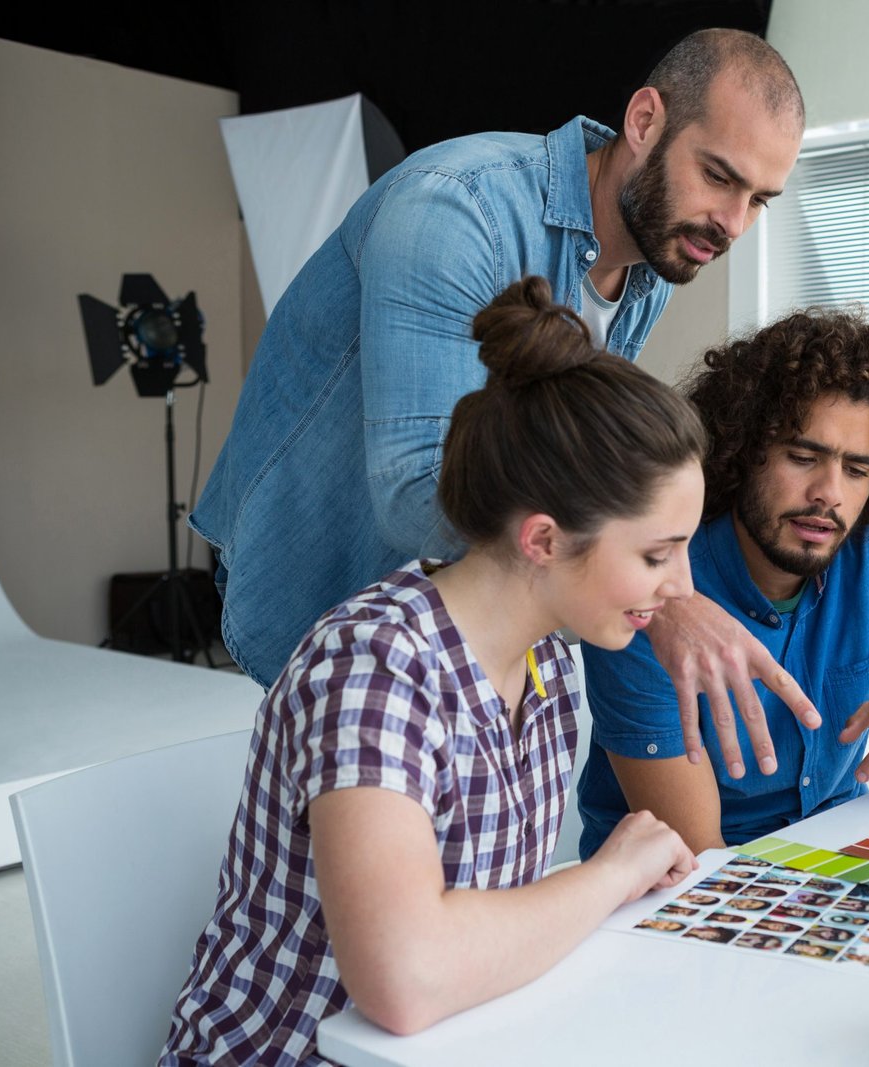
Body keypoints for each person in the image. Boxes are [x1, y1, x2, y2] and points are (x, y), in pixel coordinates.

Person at [192, 30, 818, 775]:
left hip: (459, 608)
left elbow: (576, 469)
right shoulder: (455, 210)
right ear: (645, 121)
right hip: (324, 570)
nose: (734, 222)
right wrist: (662, 602)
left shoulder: (647, 263)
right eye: (719, 176)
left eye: (758, 199)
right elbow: (417, 493)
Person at [159, 278, 702, 1065]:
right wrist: (610, 873)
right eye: (657, 553)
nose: (681, 586)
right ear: (543, 540)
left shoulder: (546, 654)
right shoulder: (374, 667)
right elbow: (405, 980)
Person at [575, 309, 869, 857]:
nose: (829, 493)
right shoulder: (656, 600)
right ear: (741, 447)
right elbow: (698, 863)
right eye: (803, 456)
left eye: (856, 470)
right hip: (682, 893)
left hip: (842, 857)